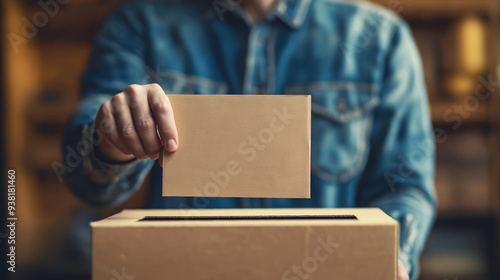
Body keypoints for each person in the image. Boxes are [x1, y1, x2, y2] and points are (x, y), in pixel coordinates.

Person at [63, 0, 436, 279]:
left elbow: (404, 186)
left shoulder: (380, 39)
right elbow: (85, 177)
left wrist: (393, 255)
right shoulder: (139, 24)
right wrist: (112, 137)